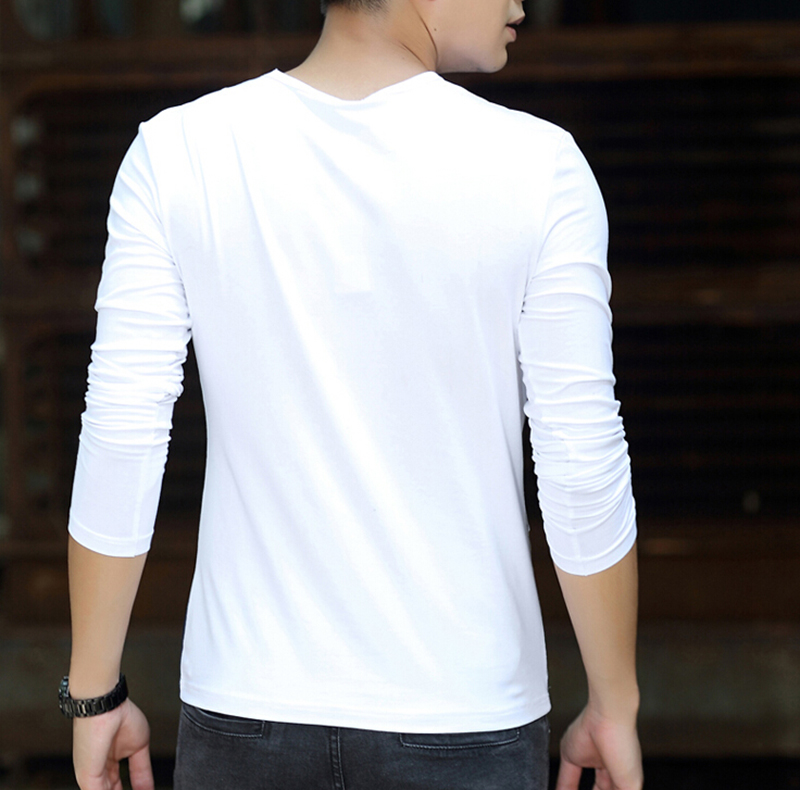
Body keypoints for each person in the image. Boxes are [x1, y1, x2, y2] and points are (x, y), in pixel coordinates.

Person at [63, 0, 643, 788]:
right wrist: (614, 703)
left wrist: (94, 695)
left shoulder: (178, 154)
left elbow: (122, 436)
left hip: (245, 709)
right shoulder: (540, 168)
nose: (520, 4)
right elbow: (580, 461)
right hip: (464, 710)